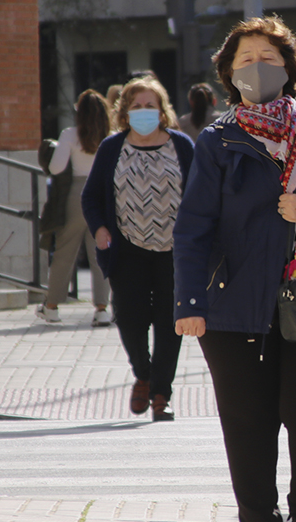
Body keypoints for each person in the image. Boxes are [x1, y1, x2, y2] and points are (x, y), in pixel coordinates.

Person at [172, 16, 296, 522]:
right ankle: (257, 515)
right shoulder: (216, 141)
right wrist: (190, 303)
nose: (258, 67)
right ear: (228, 73)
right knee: (247, 424)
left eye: (268, 58)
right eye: (246, 60)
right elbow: (193, 228)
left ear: (288, 68)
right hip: (233, 307)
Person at [82, 77, 194, 422]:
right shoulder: (112, 148)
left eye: (150, 106)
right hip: (126, 248)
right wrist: (100, 229)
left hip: (175, 251)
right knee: (129, 319)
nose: (144, 112)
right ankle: (143, 375)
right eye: (136, 106)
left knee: (168, 323)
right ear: (125, 112)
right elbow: (91, 197)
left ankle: (161, 394)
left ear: (162, 111)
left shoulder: (183, 146)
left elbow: (201, 195)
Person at [36, 89, 112, 326]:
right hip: (105, 195)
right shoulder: (113, 136)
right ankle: (101, 309)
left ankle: (52, 307)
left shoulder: (70, 134)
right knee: (101, 253)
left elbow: (57, 168)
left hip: (77, 195)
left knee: (64, 253)